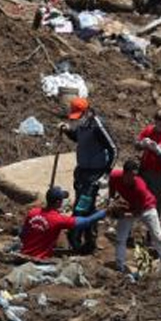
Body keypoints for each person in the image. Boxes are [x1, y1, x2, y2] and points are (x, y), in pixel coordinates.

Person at [61, 97, 116, 254]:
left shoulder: (97, 125)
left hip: (95, 173)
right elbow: (78, 138)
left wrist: (106, 173)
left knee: (82, 206)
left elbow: (113, 148)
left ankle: (77, 239)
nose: (77, 119)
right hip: (82, 171)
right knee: (85, 206)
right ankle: (87, 241)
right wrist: (67, 131)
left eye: (79, 116)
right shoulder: (82, 125)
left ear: (87, 112)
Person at [19, 187, 107, 261]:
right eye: (62, 200)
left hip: (23, 255)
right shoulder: (58, 219)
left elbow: (22, 234)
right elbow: (86, 221)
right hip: (38, 260)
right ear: (58, 203)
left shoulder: (33, 212)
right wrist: (105, 212)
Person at [108, 162, 161, 272]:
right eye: (131, 175)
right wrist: (111, 201)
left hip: (146, 208)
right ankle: (119, 266)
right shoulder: (115, 176)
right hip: (129, 207)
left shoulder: (140, 187)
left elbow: (138, 212)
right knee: (121, 238)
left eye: (135, 175)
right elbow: (111, 188)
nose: (133, 178)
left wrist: (123, 214)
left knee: (157, 235)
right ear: (124, 173)